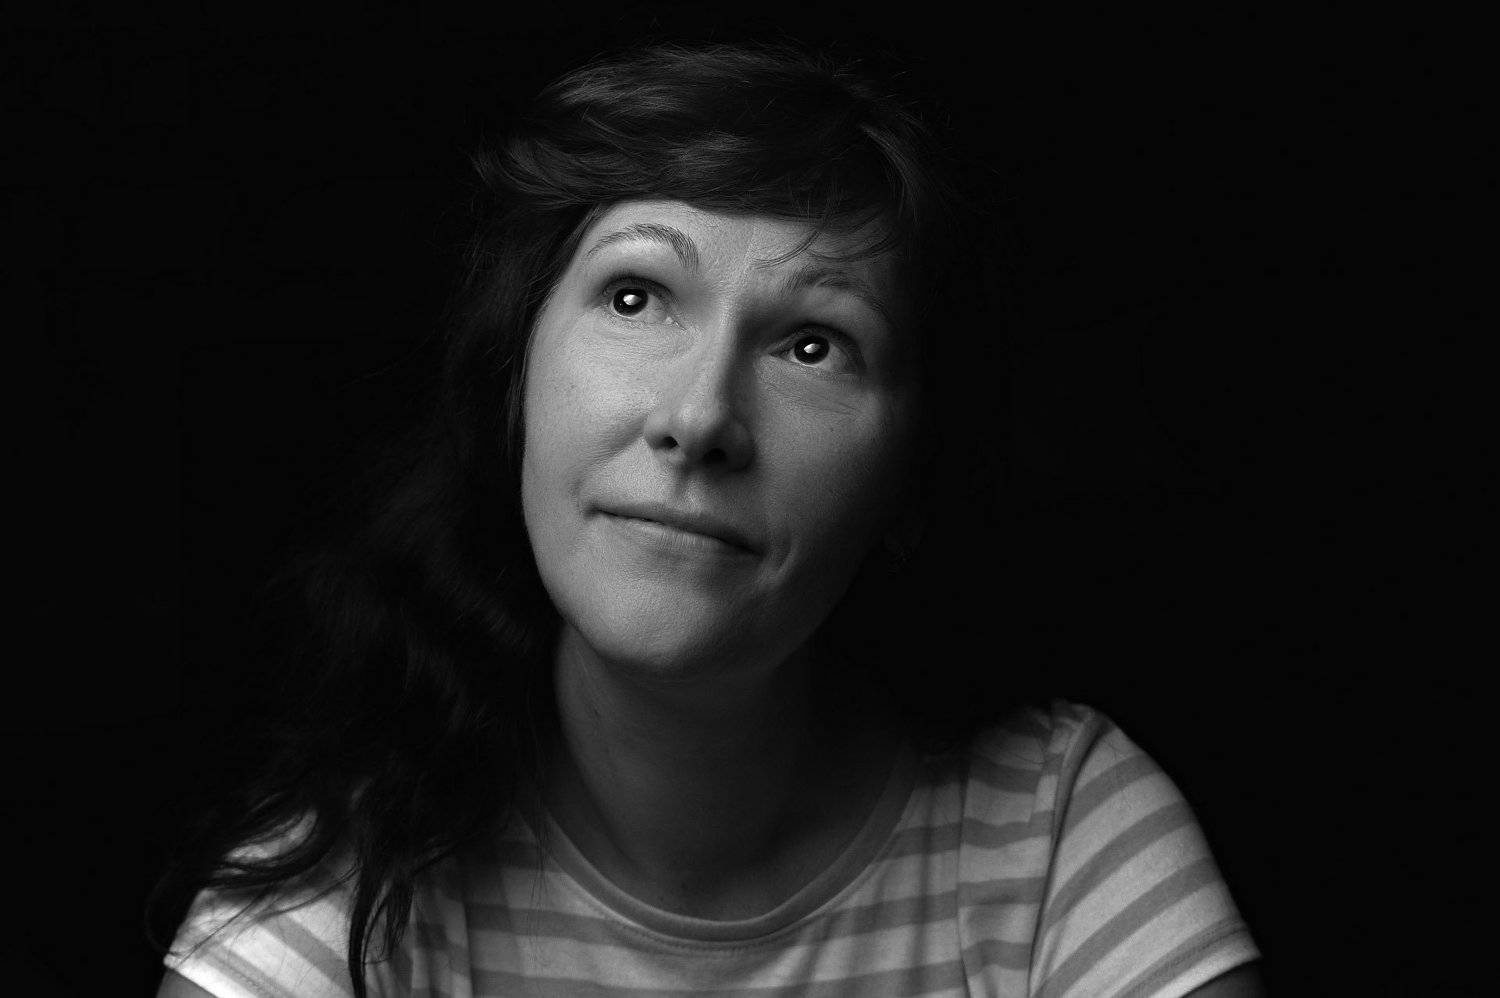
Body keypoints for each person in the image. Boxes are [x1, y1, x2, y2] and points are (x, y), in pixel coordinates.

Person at [154, 42, 1265, 997]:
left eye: (813, 344)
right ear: (514, 382)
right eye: (635, 296)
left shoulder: (1057, 829)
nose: (699, 418)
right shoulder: (357, 879)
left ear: (908, 476)